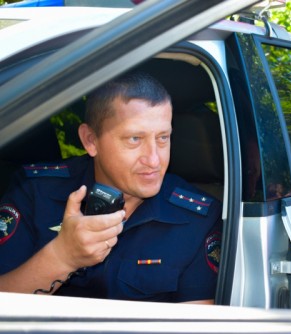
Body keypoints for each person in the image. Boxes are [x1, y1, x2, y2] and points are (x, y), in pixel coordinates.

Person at [0, 72, 221, 304]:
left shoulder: (198, 219)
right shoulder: (34, 192)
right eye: (135, 139)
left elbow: (197, 323)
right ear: (90, 140)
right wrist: (61, 257)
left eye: (163, 138)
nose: (154, 160)